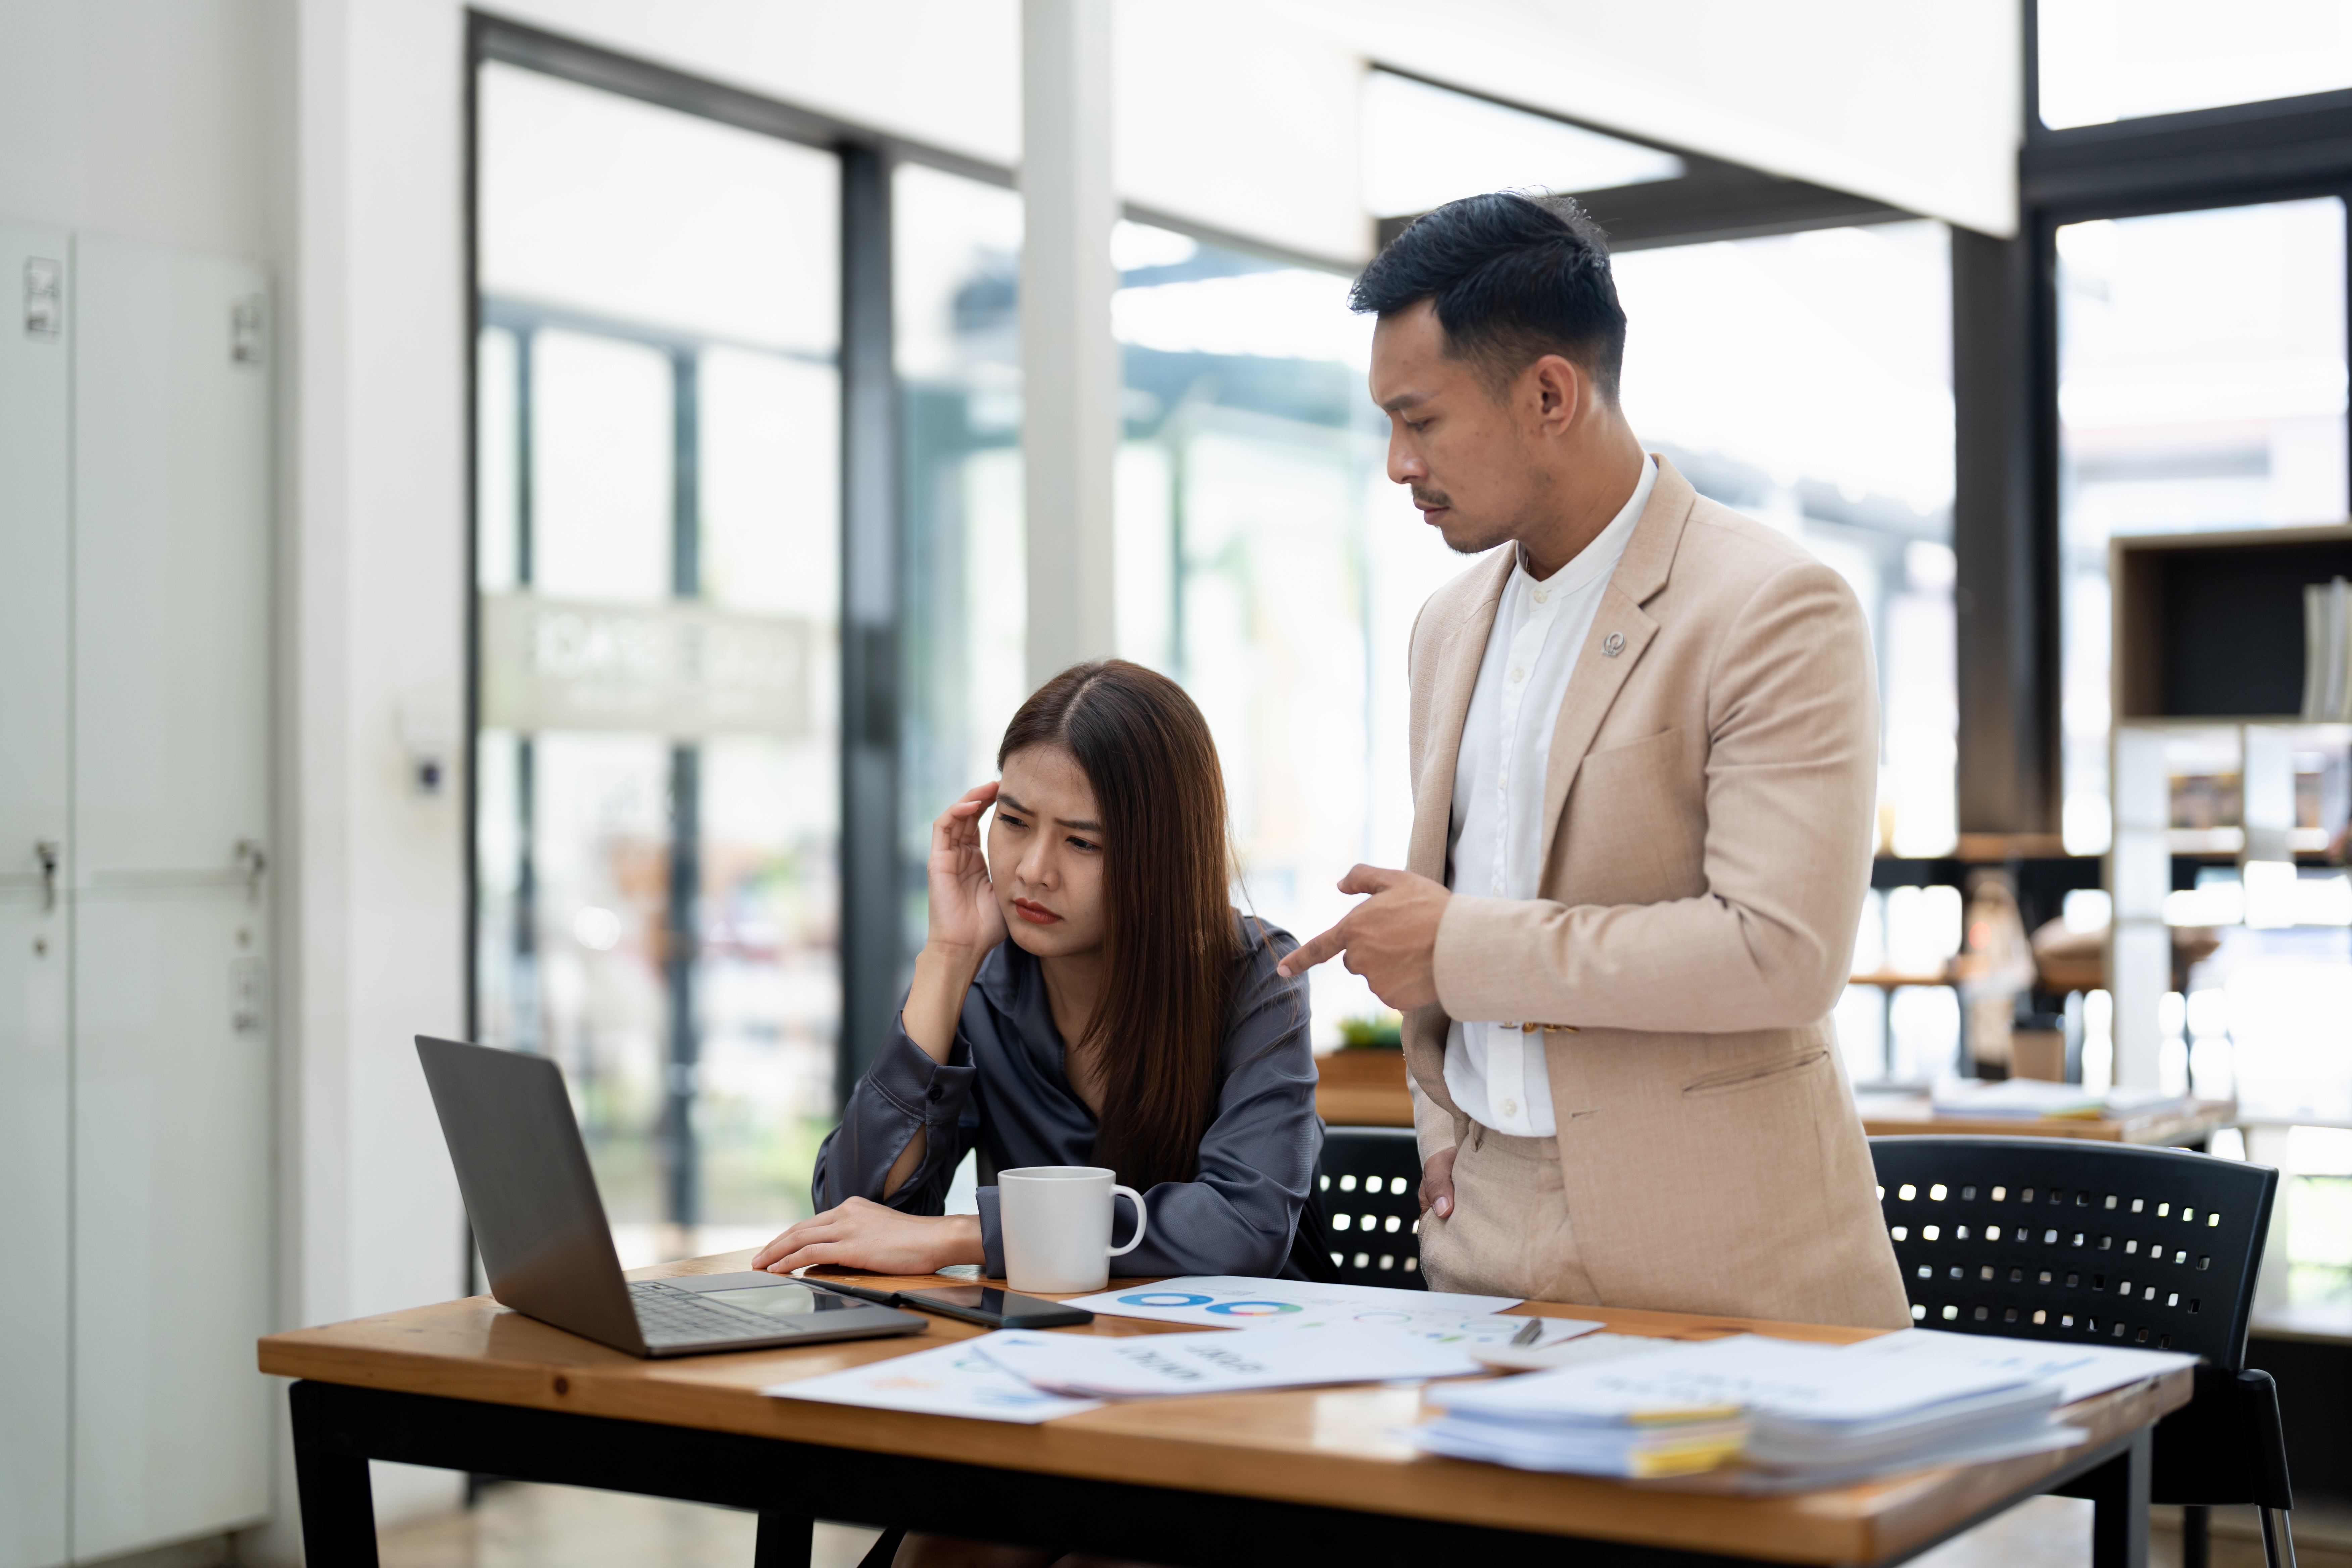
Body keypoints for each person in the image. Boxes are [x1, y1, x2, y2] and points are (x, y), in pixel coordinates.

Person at [1279, 192, 1909, 1330]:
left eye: (1418, 420)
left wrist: (1454, 948)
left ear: (1548, 395)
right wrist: (1441, 1129)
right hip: (1475, 1232)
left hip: (1714, 1242)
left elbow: (1778, 954)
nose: (1393, 464)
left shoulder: (1771, 604)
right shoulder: (1443, 624)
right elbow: (1461, 894)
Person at [753, 657, 1324, 1288]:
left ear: (1161, 857)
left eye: (1083, 843)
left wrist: (963, 1236)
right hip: (1050, 1352)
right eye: (1016, 823)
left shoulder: (1256, 977)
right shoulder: (985, 983)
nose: (1032, 870)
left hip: (1243, 1356)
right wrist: (948, 956)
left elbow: (1241, 1228)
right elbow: (856, 1215)